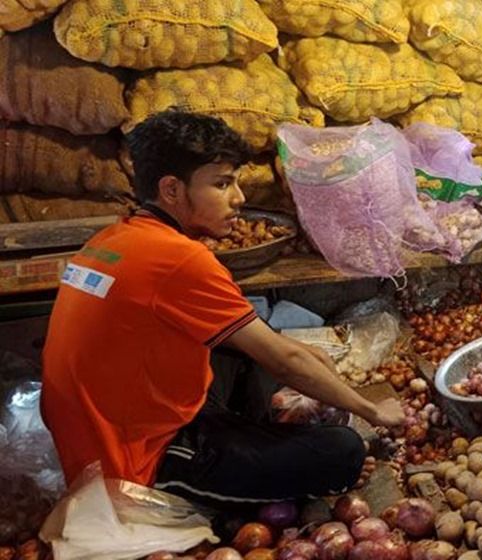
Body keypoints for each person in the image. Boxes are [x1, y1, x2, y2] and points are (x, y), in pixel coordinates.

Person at [41, 110, 405, 506]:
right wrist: (370, 409)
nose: (239, 199)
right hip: (130, 466)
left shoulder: (116, 237)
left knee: (249, 355)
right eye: (222, 184)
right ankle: (213, 470)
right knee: (343, 453)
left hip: (102, 429)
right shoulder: (179, 260)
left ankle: (251, 438)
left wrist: (294, 354)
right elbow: (282, 361)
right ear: (171, 189)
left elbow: (269, 350)